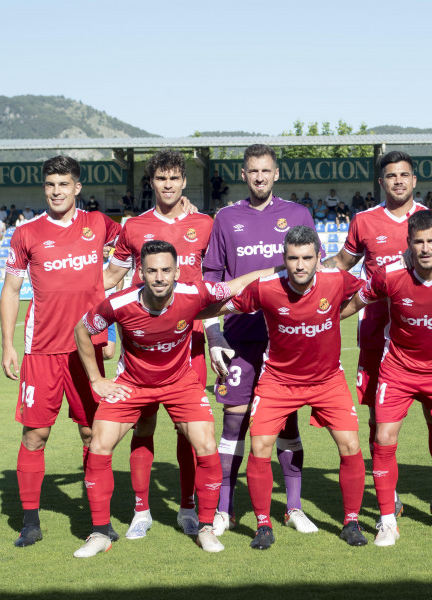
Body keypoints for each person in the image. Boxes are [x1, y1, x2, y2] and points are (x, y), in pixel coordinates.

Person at [73, 240, 266, 557]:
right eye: (152, 271)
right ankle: (99, 533)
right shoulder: (119, 303)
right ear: (141, 272)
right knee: (98, 446)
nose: (159, 277)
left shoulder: (193, 294)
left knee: (205, 446)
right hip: (133, 384)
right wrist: (97, 379)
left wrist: (282, 268)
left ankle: (204, 528)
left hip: (180, 383)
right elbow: (82, 328)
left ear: (177, 272)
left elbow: (237, 284)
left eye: (165, 270)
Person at [322, 151, 432, 529]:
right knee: (378, 419)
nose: (398, 181)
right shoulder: (364, 221)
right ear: (381, 182)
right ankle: (391, 496)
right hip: (377, 336)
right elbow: (342, 263)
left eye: (404, 175)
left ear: (414, 180)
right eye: (391, 176)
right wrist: (305, 275)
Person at [341, 210, 432, 546]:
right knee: (383, 436)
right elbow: (352, 304)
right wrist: (321, 321)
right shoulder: (388, 275)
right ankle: (388, 521)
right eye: (418, 242)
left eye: (431, 241)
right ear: (409, 243)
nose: (425, 248)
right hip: (399, 369)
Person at [0, 156, 122, 547]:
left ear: (77, 187)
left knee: (93, 434)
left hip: (87, 348)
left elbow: (136, 242)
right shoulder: (26, 234)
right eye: (51, 184)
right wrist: (7, 344)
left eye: (64, 184)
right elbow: (11, 289)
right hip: (41, 352)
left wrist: (108, 288)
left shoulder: (99, 224)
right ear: (45, 187)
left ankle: (98, 521)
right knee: (35, 434)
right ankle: (31, 521)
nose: (56, 191)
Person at [221, 226, 367, 549]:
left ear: (318, 258)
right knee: (260, 447)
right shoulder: (267, 287)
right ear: (284, 259)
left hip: (327, 380)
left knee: (350, 445)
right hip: (278, 381)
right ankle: (262, 525)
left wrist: (337, 316)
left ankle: (352, 521)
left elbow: (372, 291)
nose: (299, 266)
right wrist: (197, 318)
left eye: (306, 258)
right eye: (292, 259)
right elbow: (227, 306)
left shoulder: (337, 280)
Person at [202, 144, 321, 536]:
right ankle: (225, 509)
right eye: (253, 171)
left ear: (276, 173)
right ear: (243, 174)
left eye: (265, 171)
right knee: (234, 423)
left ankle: (294, 508)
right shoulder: (226, 218)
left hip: (286, 342)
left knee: (287, 424)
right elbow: (212, 284)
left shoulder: (298, 215)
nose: (259, 177)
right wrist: (214, 334)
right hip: (239, 340)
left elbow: (312, 274)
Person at [102, 148, 215, 539]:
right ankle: (141, 510)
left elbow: (214, 286)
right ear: (151, 182)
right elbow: (111, 277)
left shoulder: (205, 224)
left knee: (190, 428)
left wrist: (215, 335)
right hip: (142, 342)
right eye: (160, 179)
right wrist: (91, 321)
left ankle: (187, 507)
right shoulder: (132, 226)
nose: (167, 185)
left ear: (184, 181)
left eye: (174, 178)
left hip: (191, 339)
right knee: (143, 423)